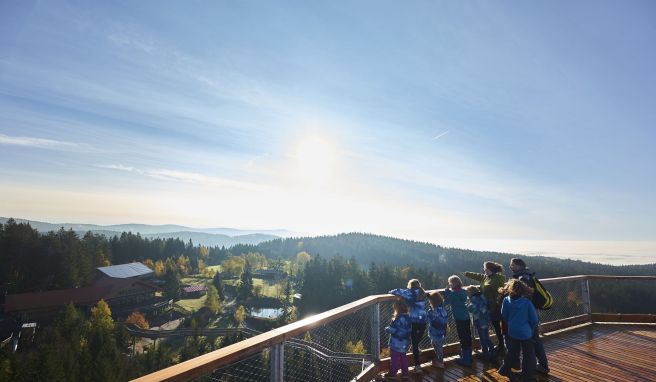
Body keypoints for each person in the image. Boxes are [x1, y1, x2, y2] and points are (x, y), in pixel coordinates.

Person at [510, 258, 550, 374]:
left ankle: (529, 370)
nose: (510, 267)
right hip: (531, 313)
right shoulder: (527, 275)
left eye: (512, 265)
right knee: (535, 341)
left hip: (526, 315)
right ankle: (542, 366)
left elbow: (525, 297)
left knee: (529, 343)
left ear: (518, 265)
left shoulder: (523, 278)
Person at [497, 279, 538, 381]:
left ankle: (504, 369)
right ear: (523, 289)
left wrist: (512, 322)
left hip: (512, 331)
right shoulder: (526, 302)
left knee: (512, 352)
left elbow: (504, 315)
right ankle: (527, 376)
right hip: (525, 332)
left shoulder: (506, 300)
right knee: (528, 354)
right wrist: (531, 328)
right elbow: (534, 319)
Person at [464, 261, 506, 353]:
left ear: (490, 269)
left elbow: (502, 291)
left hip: (495, 306)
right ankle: (495, 347)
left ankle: (502, 346)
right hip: (485, 306)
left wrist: (496, 302)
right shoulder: (486, 277)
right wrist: (467, 274)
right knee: (490, 327)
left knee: (497, 326)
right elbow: (477, 276)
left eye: (485, 269)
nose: (484, 270)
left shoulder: (498, 278)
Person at [389, 279, 427, 372]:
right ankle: (415, 351)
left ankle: (417, 366)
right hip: (423, 320)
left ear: (410, 286)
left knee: (414, 343)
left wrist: (391, 292)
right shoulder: (423, 292)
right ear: (419, 285)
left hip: (414, 321)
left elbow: (396, 291)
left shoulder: (408, 292)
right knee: (416, 342)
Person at [443, 275, 472, 366]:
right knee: (467, 336)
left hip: (459, 318)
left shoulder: (452, 295)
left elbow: (446, 302)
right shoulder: (464, 291)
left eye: (449, 283)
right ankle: (469, 356)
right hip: (467, 317)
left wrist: (446, 293)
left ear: (452, 283)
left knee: (462, 337)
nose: (449, 284)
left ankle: (465, 359)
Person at [383, 299, 412, 379]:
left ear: (397, 309)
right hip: (404, 342)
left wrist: (387, 329)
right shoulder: (408, 318)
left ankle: (393, 374)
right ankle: (405, 373)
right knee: (403, 358)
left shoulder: (397, 319)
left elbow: (393, 330)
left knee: (394, 359)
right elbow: (409, 330)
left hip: (396, 343)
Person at [466, 285, 494, 360]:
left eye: (467, 292)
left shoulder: (475, 299)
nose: (467, 294)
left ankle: (486, 354)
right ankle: (492, 352)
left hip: (480, 321)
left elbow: (475, 310)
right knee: (486, 337)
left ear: (471, 292)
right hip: (485, 320)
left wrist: (468, 306)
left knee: (483, 338)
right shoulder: (482, 297)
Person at [426, 291, 448, 368]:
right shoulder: (443, 309)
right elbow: (445, 320)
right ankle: (438, 358)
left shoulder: (432, 311)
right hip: (442, 331)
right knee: (437, 344)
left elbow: (429, 320)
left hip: (435, 332)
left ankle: (440, 362)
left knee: (438, 346)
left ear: (432, 302)